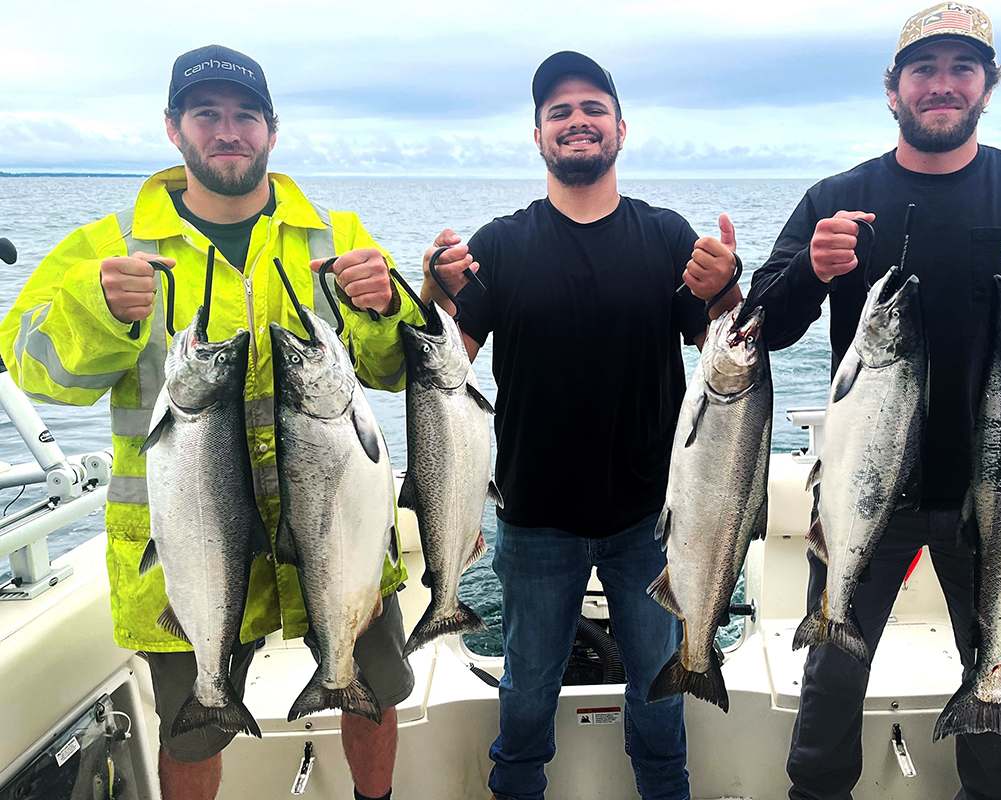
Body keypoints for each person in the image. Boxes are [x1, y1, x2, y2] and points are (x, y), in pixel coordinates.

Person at [746, 5, 1001, 800]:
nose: (942, 86)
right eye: (923, 70)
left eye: (961, 69)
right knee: (834, 672)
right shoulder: (840, 195)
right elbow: (766, 324)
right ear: (891, 90)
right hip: (871, 491)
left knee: (995, 664)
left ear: (988, 86)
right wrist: (811, 272)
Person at [0, 45, 421, 800]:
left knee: (374, 688)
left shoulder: (338, 233)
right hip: (183, 545)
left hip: (339, 529)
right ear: (173, 128)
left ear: (271, 129)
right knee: (195, 727)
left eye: (245, 116)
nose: (228, 131)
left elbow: (394, 370)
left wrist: (389, 308)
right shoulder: (106, 247)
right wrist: (96, 309)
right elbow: (38, 372)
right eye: (207, 114)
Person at [420, 51, 740, 800]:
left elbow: (726, 358)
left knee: (660, 694)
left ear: (621, 128)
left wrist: (727, 289)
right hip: (534, 519)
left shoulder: (667, 237)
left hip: (651, 517)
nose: (576, 121)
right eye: (558, 112)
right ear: (537, 137)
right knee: (526, 688)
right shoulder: (498, 245)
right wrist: (431, 289)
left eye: (592, 107)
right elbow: (445, 366)